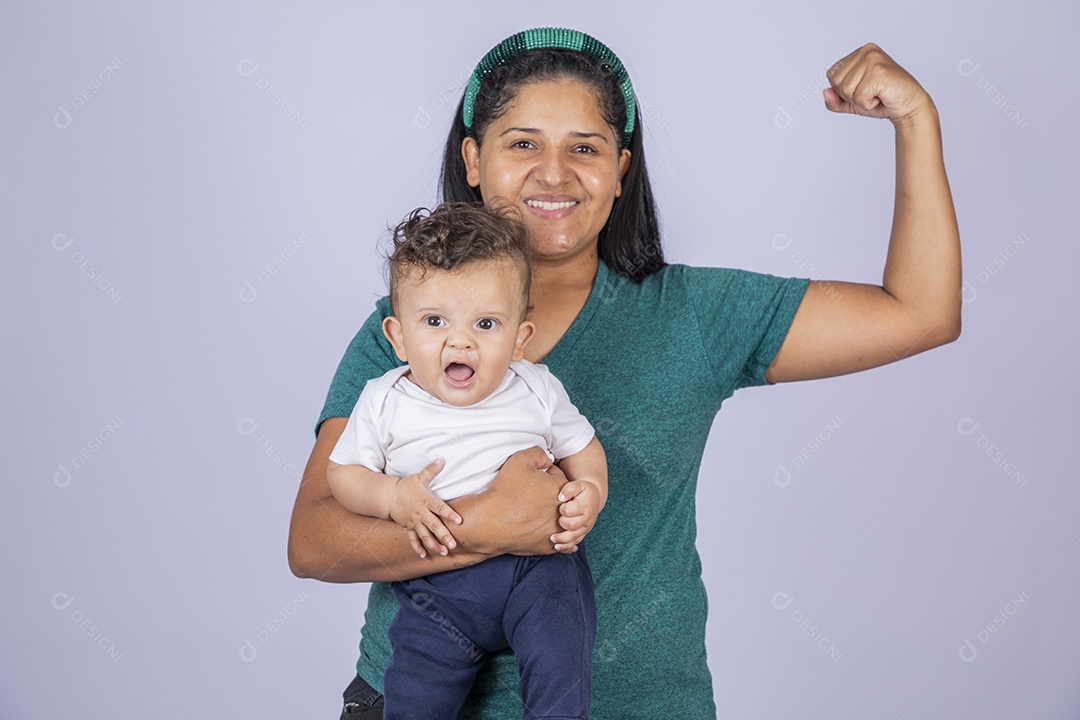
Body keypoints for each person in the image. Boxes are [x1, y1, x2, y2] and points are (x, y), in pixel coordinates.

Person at [288, 27, 961, 719]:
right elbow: (313, 542)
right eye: (523, 144)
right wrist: (489, 524)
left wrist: (915, 120)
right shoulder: (405, 330)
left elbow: (921, 312)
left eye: (585, 148)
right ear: (473, 161)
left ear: (619, 172)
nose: (554, 173)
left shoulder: (693, 313)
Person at [325, 202, 607, 720]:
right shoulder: (385, 399)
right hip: (437, 592)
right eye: (434, 321)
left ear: (520, 338)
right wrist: (392, 497)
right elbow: (342, 474)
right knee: (414, 692)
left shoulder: (536, 387)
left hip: (538, 572)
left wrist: (589, 492)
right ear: (398, 337)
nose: (460, 340)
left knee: (561, 667)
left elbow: (583, 448)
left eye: (486, 323)